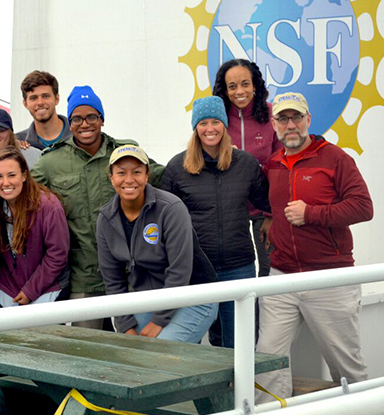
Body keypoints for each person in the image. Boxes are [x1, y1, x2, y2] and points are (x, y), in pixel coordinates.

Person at [255, 92, 372, 402]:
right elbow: (272, 202)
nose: (290, 124)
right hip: (282, 276)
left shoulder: (335, 158)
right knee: (267, 360)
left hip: (330, 279)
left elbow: (363, 207)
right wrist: (269, 218)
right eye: (283, 118)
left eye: (296, 117)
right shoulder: (274, 163)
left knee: (346, 364)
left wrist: (311, 214)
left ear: (308, 120)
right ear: (274, 124)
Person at [31, 85, 164, 329]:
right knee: (87, 353)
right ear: (69, 123)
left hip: (131, 276)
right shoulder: (51, 162)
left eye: (92, 116)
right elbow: (21, 194)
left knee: (137, 349)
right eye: (77, 118)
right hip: (84, 279)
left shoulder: (125, 152)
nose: (85, 124)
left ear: (101, 119)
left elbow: (165, 177)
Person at [160, 96, 270, 348]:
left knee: (237, 344)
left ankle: (236, 389)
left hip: (238, 267)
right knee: (190, 346)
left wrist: (270, 223)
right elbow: (164, 218)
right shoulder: (178, 168)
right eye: (203, 123)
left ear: (225, 125)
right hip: (195, 270)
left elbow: (266, 203)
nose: (210, 129)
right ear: (195, 128)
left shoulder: (245, 164)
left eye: (216, 122)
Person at [97, 145, 218, 341]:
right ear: (112, 178)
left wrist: (159, 321)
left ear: (147, 176)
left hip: (194, 296)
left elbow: (179, 272)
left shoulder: (171, 209)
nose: (129, 180)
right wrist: (126, 325)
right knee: (132, 354)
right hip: (148, 298)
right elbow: (113, 281)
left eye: (136, 172)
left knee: (159, 355)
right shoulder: (106, 219)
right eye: (121, 173)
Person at [213, 59, 281, 279]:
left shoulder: (272, 115)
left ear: (255, 85)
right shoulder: (217, 119)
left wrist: (271, 214)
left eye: (245, 84)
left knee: (268, 270)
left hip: (265, 208)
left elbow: (281, 167)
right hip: (231, 210)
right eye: (232, 86)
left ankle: (264, 315)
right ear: (225, 90)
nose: (239, 91)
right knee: (237, 274)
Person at [0, 147, 69, 307]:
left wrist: (30, 291)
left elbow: (57, 255)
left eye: (12, 175)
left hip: (46, 293)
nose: (5, 183)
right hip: (7, 291)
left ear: (24, 175)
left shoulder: (48, 206)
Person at [16, 70, 72, 149]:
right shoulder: (17, 143)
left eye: (45, 96)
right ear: (25, 104)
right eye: (33, 98)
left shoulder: (78, 135)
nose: (40, 102)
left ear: (57, 99)